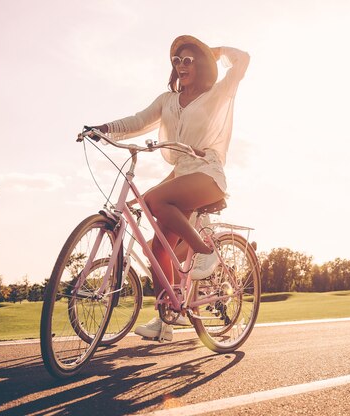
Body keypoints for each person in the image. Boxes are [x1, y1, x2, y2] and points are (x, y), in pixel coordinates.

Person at [90, 35, 249, 341]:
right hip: (182, 178)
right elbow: (138, 120)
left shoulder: (215, 95)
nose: (181, 65)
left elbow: (243, 61)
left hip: (208, 175)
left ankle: (205, 250)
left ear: (201, 65)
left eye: (188, 60)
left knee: (151, 200)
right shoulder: (167, 101)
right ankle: (168, 315)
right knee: (158, 248)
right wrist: (104, 129)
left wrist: (217, 52)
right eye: (177, 61)